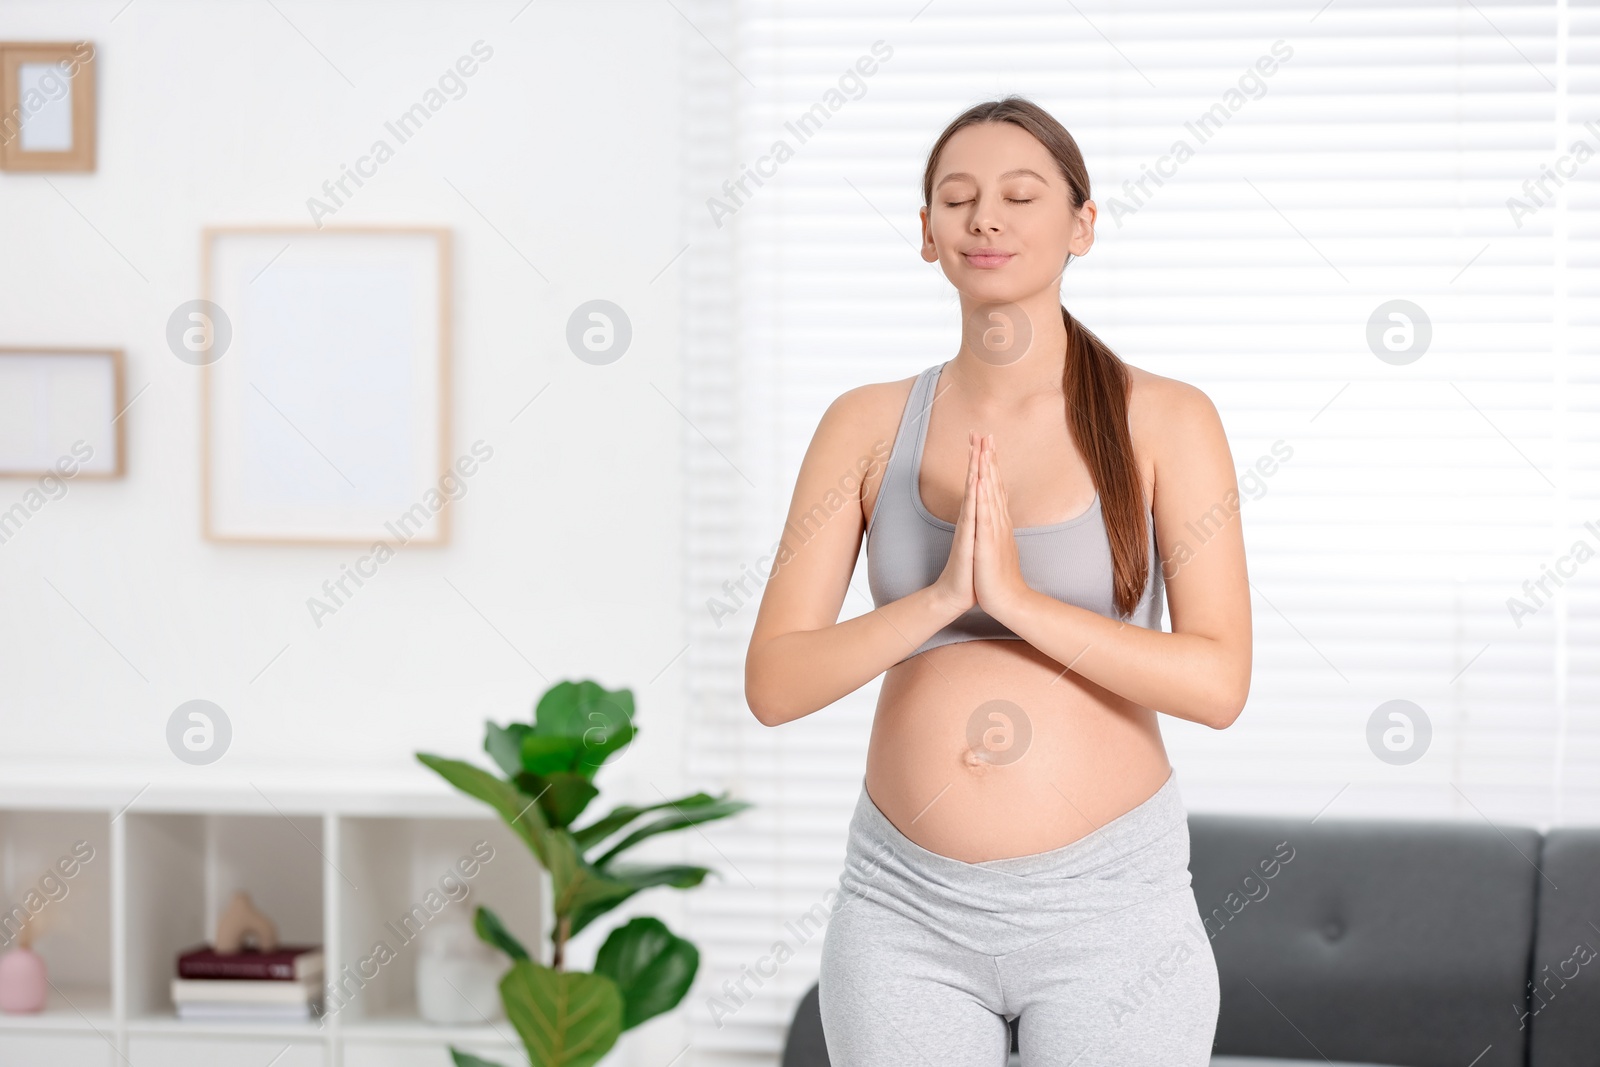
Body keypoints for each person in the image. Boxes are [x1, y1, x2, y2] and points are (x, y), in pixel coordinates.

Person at [743, 95, 1251, 1066]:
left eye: (1021, 195)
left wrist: (1016, 601)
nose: (986, 217)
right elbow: (775, 680)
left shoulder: (1167, 418)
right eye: (956, 197)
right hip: (903, 908)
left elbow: (1216, 682)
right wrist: (938, 600)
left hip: (1111, 910)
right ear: (927, 233)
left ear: (1082, 224)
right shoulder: (864, 422)